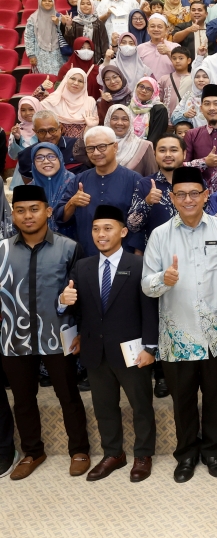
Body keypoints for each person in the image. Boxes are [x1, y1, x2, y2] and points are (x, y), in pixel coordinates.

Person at [141, 166, 217, 483]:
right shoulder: (159, 235)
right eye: (180, 194)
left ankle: (213, 452)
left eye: (194, 193)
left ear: (206, 195)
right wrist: (163, 279)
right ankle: (186, 455)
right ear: (172, 198)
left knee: (215, 396)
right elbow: (146, 285)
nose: (188, 199)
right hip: (177, 334)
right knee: (182, 400)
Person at [58, 205, 158, 483]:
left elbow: (150, 311)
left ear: (123, 232)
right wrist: (62, 302)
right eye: (95, 229)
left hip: (132, 350)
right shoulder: (83, 265)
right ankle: (113, 453)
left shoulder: (139, 265)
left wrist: (151, 348)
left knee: (141, 405)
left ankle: (143, 454)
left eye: (108, 228)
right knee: (104, 407)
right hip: (94, 350)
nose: (101, 234)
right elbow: (74, 306)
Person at [0, 185, 90, 481]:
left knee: (68, 395)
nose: (28, 216)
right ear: (13, 216)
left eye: (34, 209)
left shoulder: (68, 247)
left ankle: (79, 450)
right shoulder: (1, 251)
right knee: (24, 399)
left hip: (58, 334)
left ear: (48, 212)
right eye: (21, 211)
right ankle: (32, 451)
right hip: (14, 337)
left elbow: (80, 296)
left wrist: (79, 332)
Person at [56, 125, 143, 258]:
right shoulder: (79, 180)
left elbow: (141, 222)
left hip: (124, 258)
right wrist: (72, 203)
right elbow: (60, 218)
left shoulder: (134, 180)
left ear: (115, 147)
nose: (96, 153)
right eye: (90, 148)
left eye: (102, 147)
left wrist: (136, 259)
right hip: (86, 257)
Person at [37, 68, 99, 139]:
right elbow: (33, 107)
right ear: (66, 79)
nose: (76, 83)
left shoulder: (90, 102)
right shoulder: (54, 99)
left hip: (82, 144)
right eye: (73, 79)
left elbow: (93, 129)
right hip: (55, 143)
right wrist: (41, 88)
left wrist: (90, 126)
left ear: (85, 84)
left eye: (80, 81)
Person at [105, 104, 157, 176]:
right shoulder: (101, 146)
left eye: (124, 119)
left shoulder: (143, 146)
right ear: (107, 121)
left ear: (130, 123)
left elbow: (152, 177)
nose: (120, 123)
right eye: (115, 118)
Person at [24, 0, 67, 77]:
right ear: (40, 2)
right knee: (44, 78)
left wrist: (58, 23)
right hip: (40, 53)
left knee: (58, 78)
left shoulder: (59, 16)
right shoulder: (33, 18)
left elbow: (66, 35)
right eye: (44, 0)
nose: (47, 2)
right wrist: (31, 55)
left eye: (50, 1)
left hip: (58, 53)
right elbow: (29, 37)